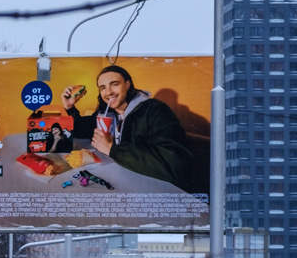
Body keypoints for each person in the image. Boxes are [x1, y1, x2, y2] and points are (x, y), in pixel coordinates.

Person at [58, 65, 195, 188]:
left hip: (152, 188)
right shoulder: (107, 113)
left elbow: (176, 165)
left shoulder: (155, 111)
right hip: (118, 180)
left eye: (114, 84)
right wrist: (70, 108)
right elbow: (83, 130)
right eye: (103, 88)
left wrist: (113, 149)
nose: (109, 92)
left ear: (127, 85)